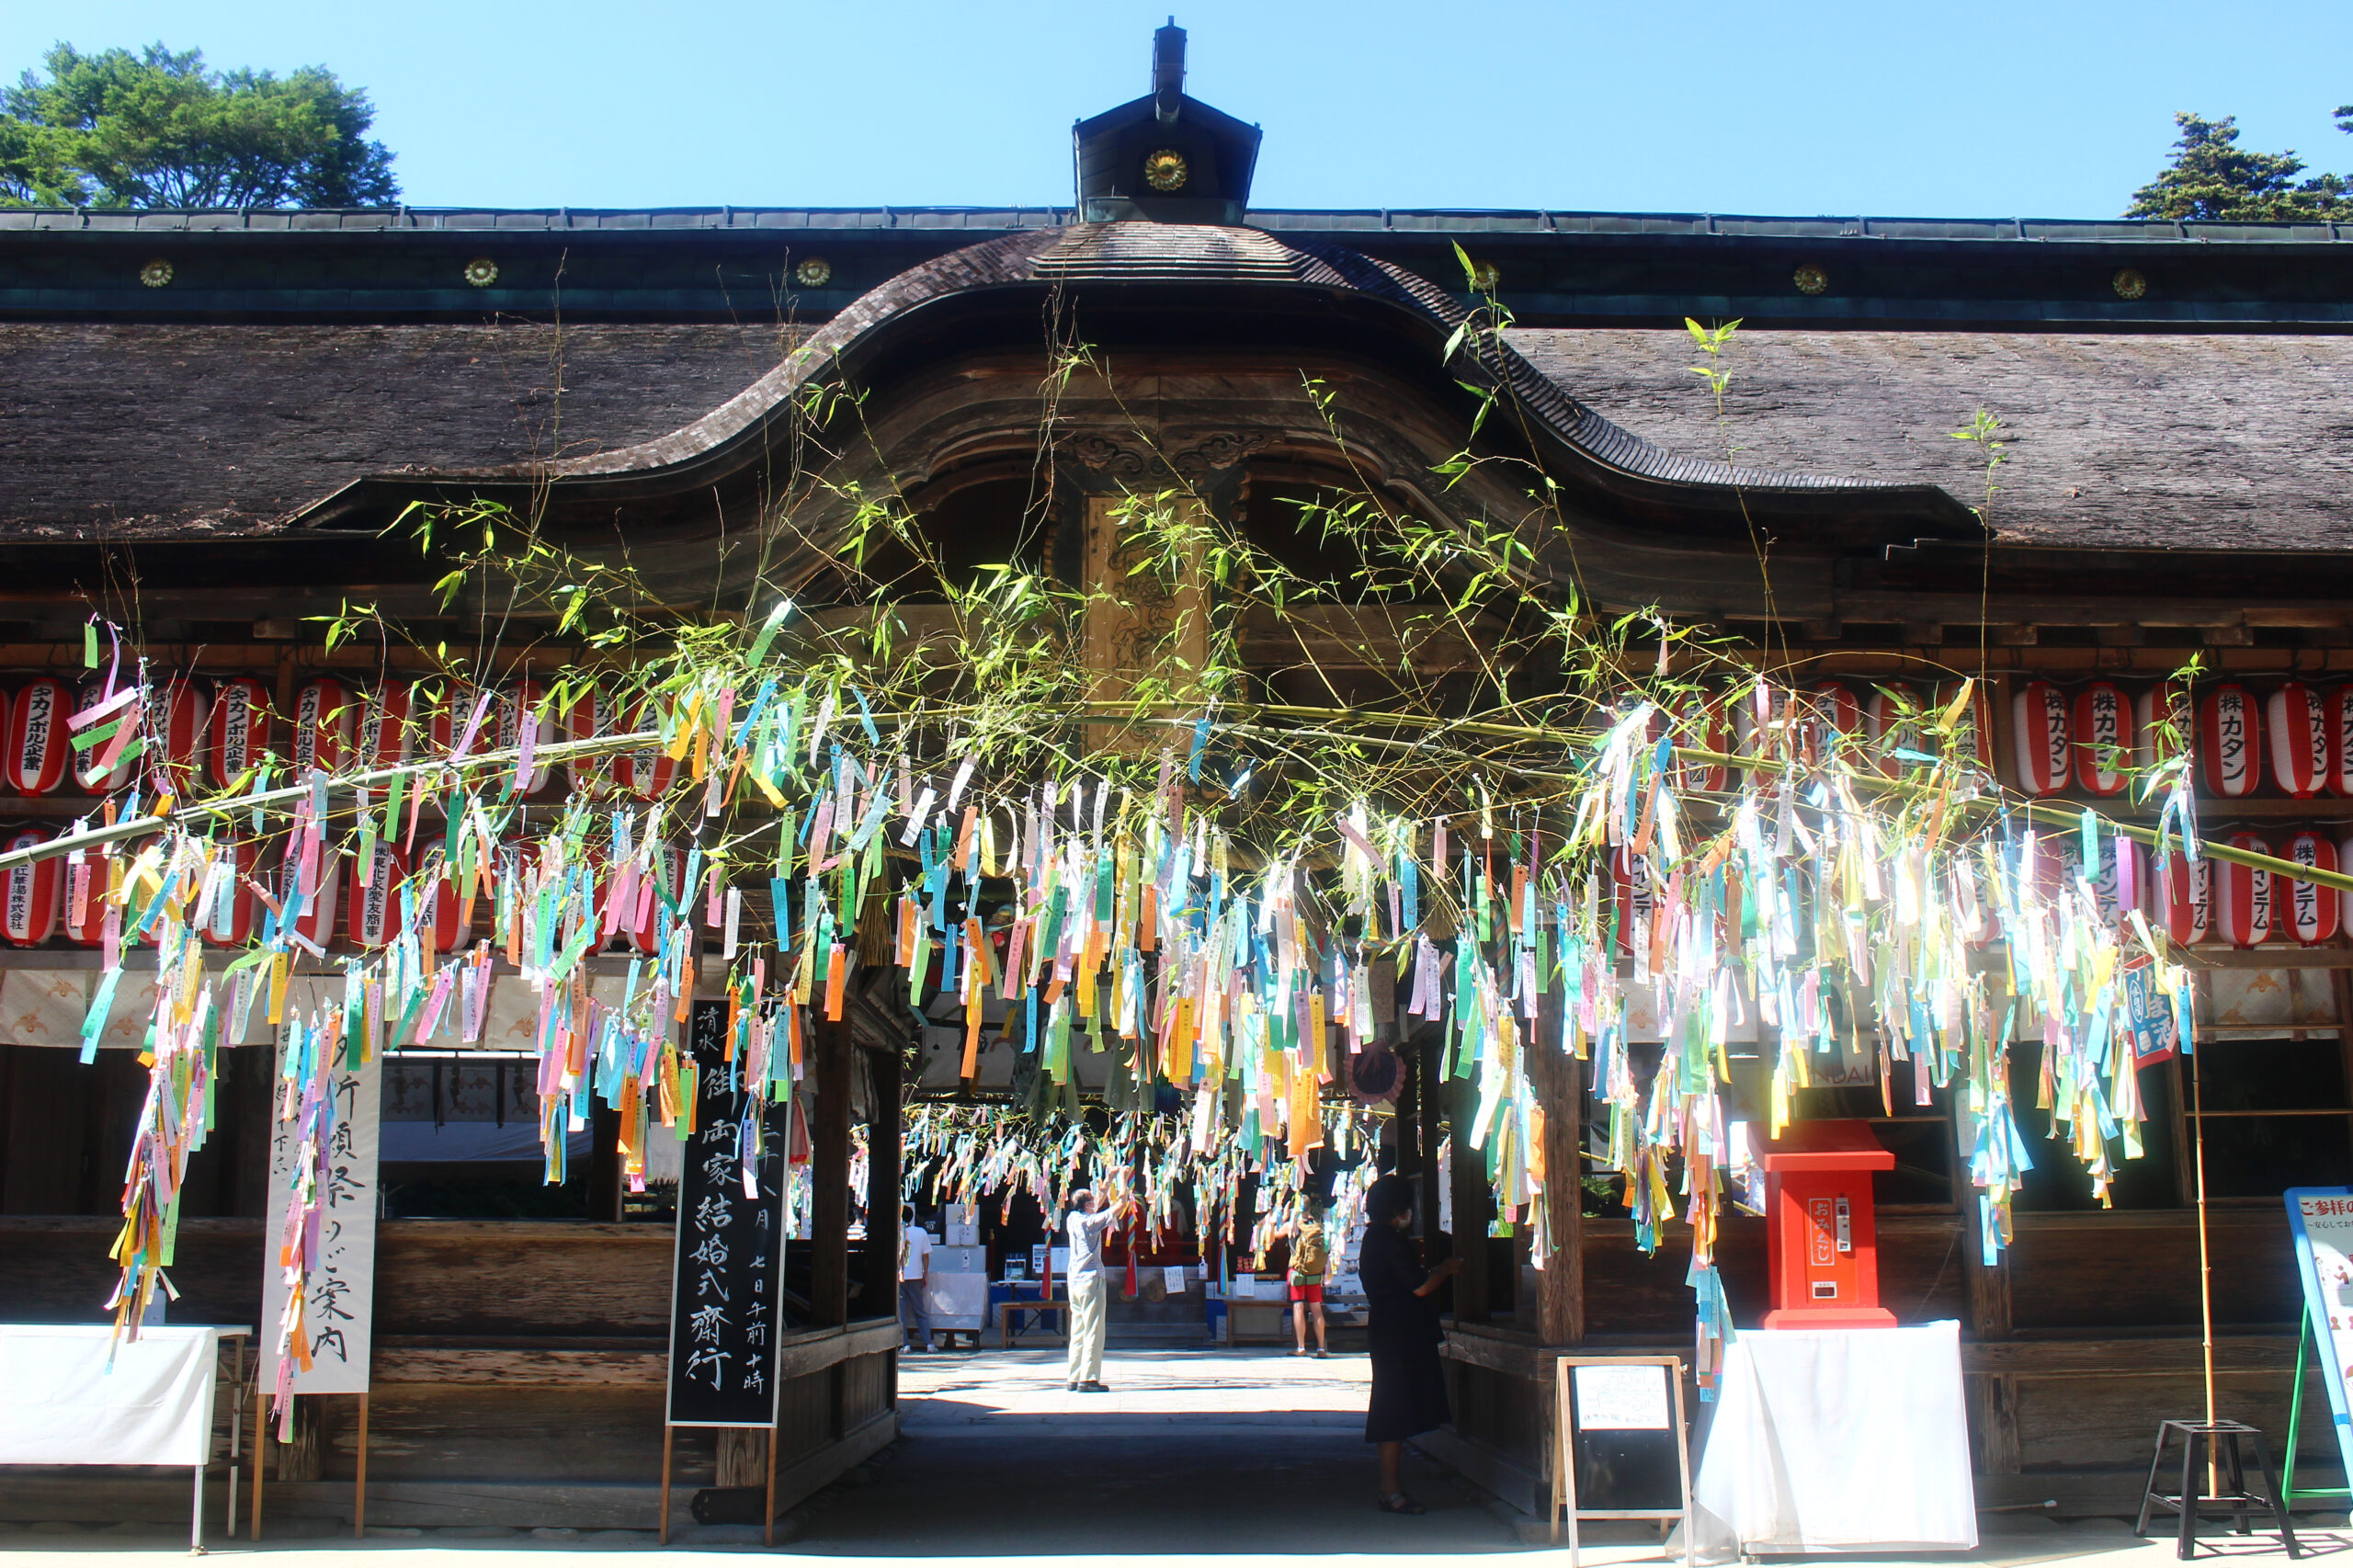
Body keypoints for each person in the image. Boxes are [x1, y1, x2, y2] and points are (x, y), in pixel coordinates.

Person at [1358, 1173, 1459, 1515]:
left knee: (1395, 1404)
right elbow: (1420, 1288)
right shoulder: (1387, 1240)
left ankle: (1391, 1486)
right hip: (1397, 1331)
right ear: (1397, 1209)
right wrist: (1445, 1269)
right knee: (1393, 1407)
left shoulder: (1377, 1239)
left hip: (1391, 1328)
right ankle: (1389, 1487)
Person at [1063, 1186, 1131, 1392]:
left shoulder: (1073, 1219)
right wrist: (1125, 1182)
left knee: (1078, 1330)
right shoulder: (1089, 1223)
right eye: (1092, 1200)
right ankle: (1089, 1378)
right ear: (1086, 1205)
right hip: (1090, 1280)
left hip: (1074, 1280)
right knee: (1094, 1329)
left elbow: (1097, 1207)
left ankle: (1074, 1376)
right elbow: (1118, 1207)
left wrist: (1109, 1179)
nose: (1096, 1202)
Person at [1289, 1204, 1332, 1358]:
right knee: (1316, 1309)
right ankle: (1321, 1348)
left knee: (1298, 1306)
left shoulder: (1294, 1224)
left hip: (1297, 1271)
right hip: (1315, 1271)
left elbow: (1278, 1234)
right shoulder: (1318, 1225)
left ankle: (1301, 1347)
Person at [898, 1204, 933, 1354]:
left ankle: (904, 1343)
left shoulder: (898, 1232)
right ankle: (928, 1343)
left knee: (901, 1312)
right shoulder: (921, 1232)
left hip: (901, 1275)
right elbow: (926, 1256)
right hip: (917, 1275)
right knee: (920, 1310)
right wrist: (925, 1274)